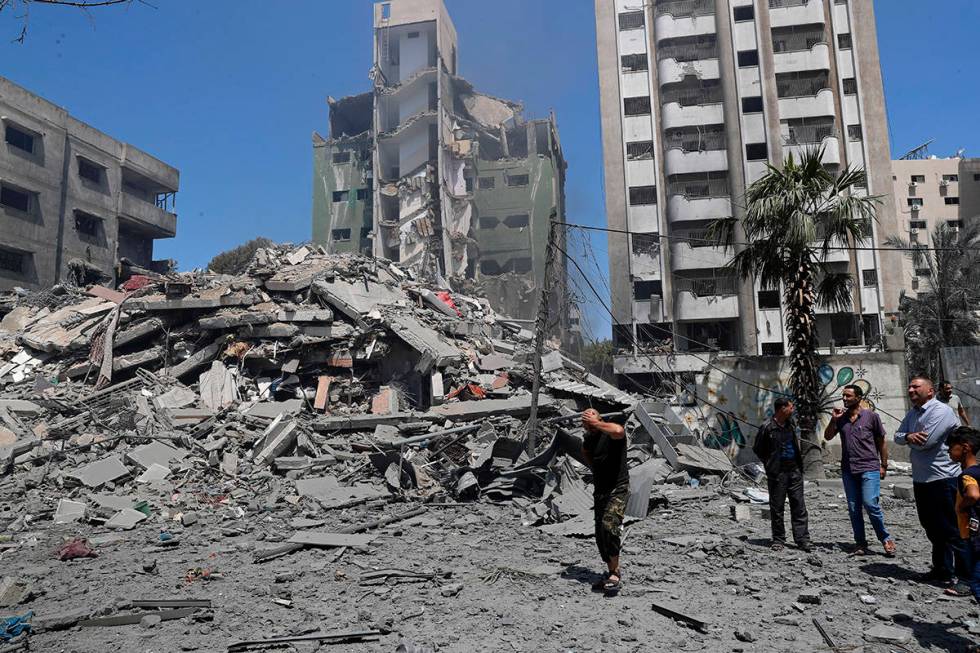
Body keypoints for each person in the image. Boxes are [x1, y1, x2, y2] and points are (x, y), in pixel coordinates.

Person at [894, 376, 968, 589]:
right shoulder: (913, 413)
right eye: (909, 386)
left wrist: (909, 439)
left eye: (916, 386)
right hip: (922, 480)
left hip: (943, 478)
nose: (910, 390)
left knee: (953, 530)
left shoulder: (940, 411)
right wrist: (909, 436)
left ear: (930, 390)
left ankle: (965, 578)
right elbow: (898, 436)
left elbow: (926, 443)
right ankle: (942, 569)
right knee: (933, 528)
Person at [824, 384, 896, 556]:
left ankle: (885, 538)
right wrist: (834, 420)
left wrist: (883, 465)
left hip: (869, 467)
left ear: (858, 397)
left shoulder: (872, 417)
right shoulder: (840, 418)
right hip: (849, 469)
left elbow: (881, 442)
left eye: (848, 396)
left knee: (871, 504)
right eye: (843, 396)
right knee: (854, 507)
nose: (844, 399)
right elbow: (827, 436)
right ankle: (860, 543)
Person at [752, 397, 812, 552]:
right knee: (777, 507)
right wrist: (770, 465)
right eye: (791, 407)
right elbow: (758, 449)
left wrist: (798, 468)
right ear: (782, 409)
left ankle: (802, 540)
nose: (793, 410)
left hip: (794, 472)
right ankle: (778, 539)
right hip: (777, 474)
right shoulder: (767, 427)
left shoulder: (790, 425)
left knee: (799, 506)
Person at [581, 408, 629, 595]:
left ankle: (615, 574)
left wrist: (597, 424)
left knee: (610, 524)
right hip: (600, 490)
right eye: (584, 415)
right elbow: (584, 451)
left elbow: (619, 431)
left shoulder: (610, 431)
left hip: (618, 487)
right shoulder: (589, 439)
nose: (587, 415)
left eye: (592, 413)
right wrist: (594, 468)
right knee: (600, 533)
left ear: (599, 418)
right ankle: (611, 571)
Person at [947, 427, 980, 602]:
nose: (949, 452)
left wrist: (962, 507)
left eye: (951, 447)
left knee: (975, 583)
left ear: (965, 448)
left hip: (972, 533)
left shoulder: (966, 475)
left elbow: (973, 494)